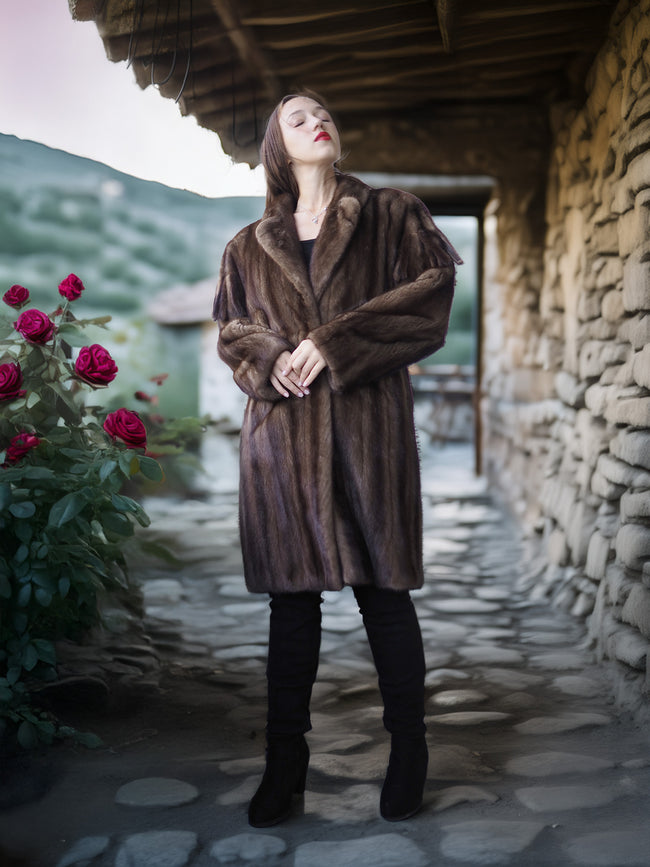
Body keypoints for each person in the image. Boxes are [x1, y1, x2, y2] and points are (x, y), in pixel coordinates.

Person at [213, 92, 461, 827]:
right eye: (298, 117)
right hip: (282, 444)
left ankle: (408, 748)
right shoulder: (246, 244)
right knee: (292, 607)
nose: (318, 120)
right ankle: (284, 761)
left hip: (367, 436)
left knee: (385, 597)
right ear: (277, 147)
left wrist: (336, 340)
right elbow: (232, 330)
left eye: (324, 112)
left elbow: (434, 292)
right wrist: (269, 355)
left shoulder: (391, 214)